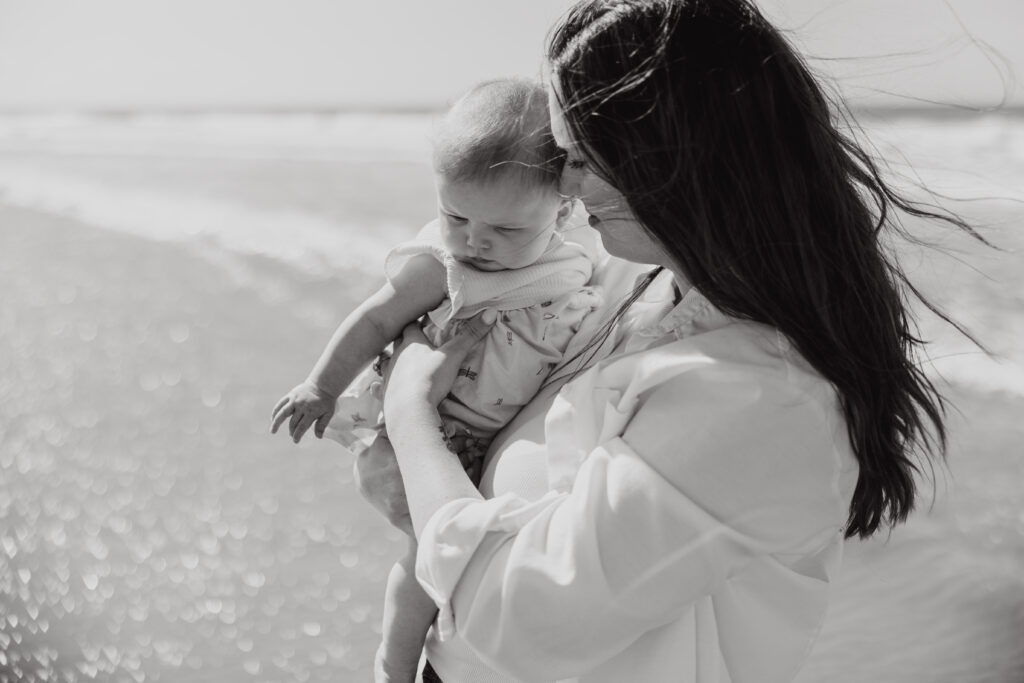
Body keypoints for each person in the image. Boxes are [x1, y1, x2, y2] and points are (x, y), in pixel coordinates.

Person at [355, 0, 988, 681]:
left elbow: (514, 620)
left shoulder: (761, 398)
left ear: (673, 159)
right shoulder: (641, 283)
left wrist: (410, 411)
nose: (561, 184)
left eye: (579, 158)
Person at [270, 78, 604, 682]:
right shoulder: (445, 267)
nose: (476, 239)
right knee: (429, 561)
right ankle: (395, 666)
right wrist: (320, 385)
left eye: (504, 230)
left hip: (471, 442)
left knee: (456, 566)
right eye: (455, 215)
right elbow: (376, 318)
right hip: (421, 441)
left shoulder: (575, 250)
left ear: (563, 206)